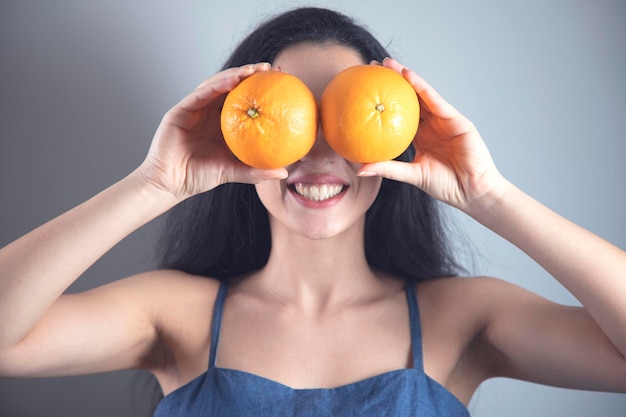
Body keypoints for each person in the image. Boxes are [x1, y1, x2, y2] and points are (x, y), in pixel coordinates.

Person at [0, 6, 625, 416]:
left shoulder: (458, 320)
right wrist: (156, 183)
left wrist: (489, 195)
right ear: (238, 129)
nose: (320, 155)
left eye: (347, 119)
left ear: (393, 133)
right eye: (293, 120)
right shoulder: (178, 314)